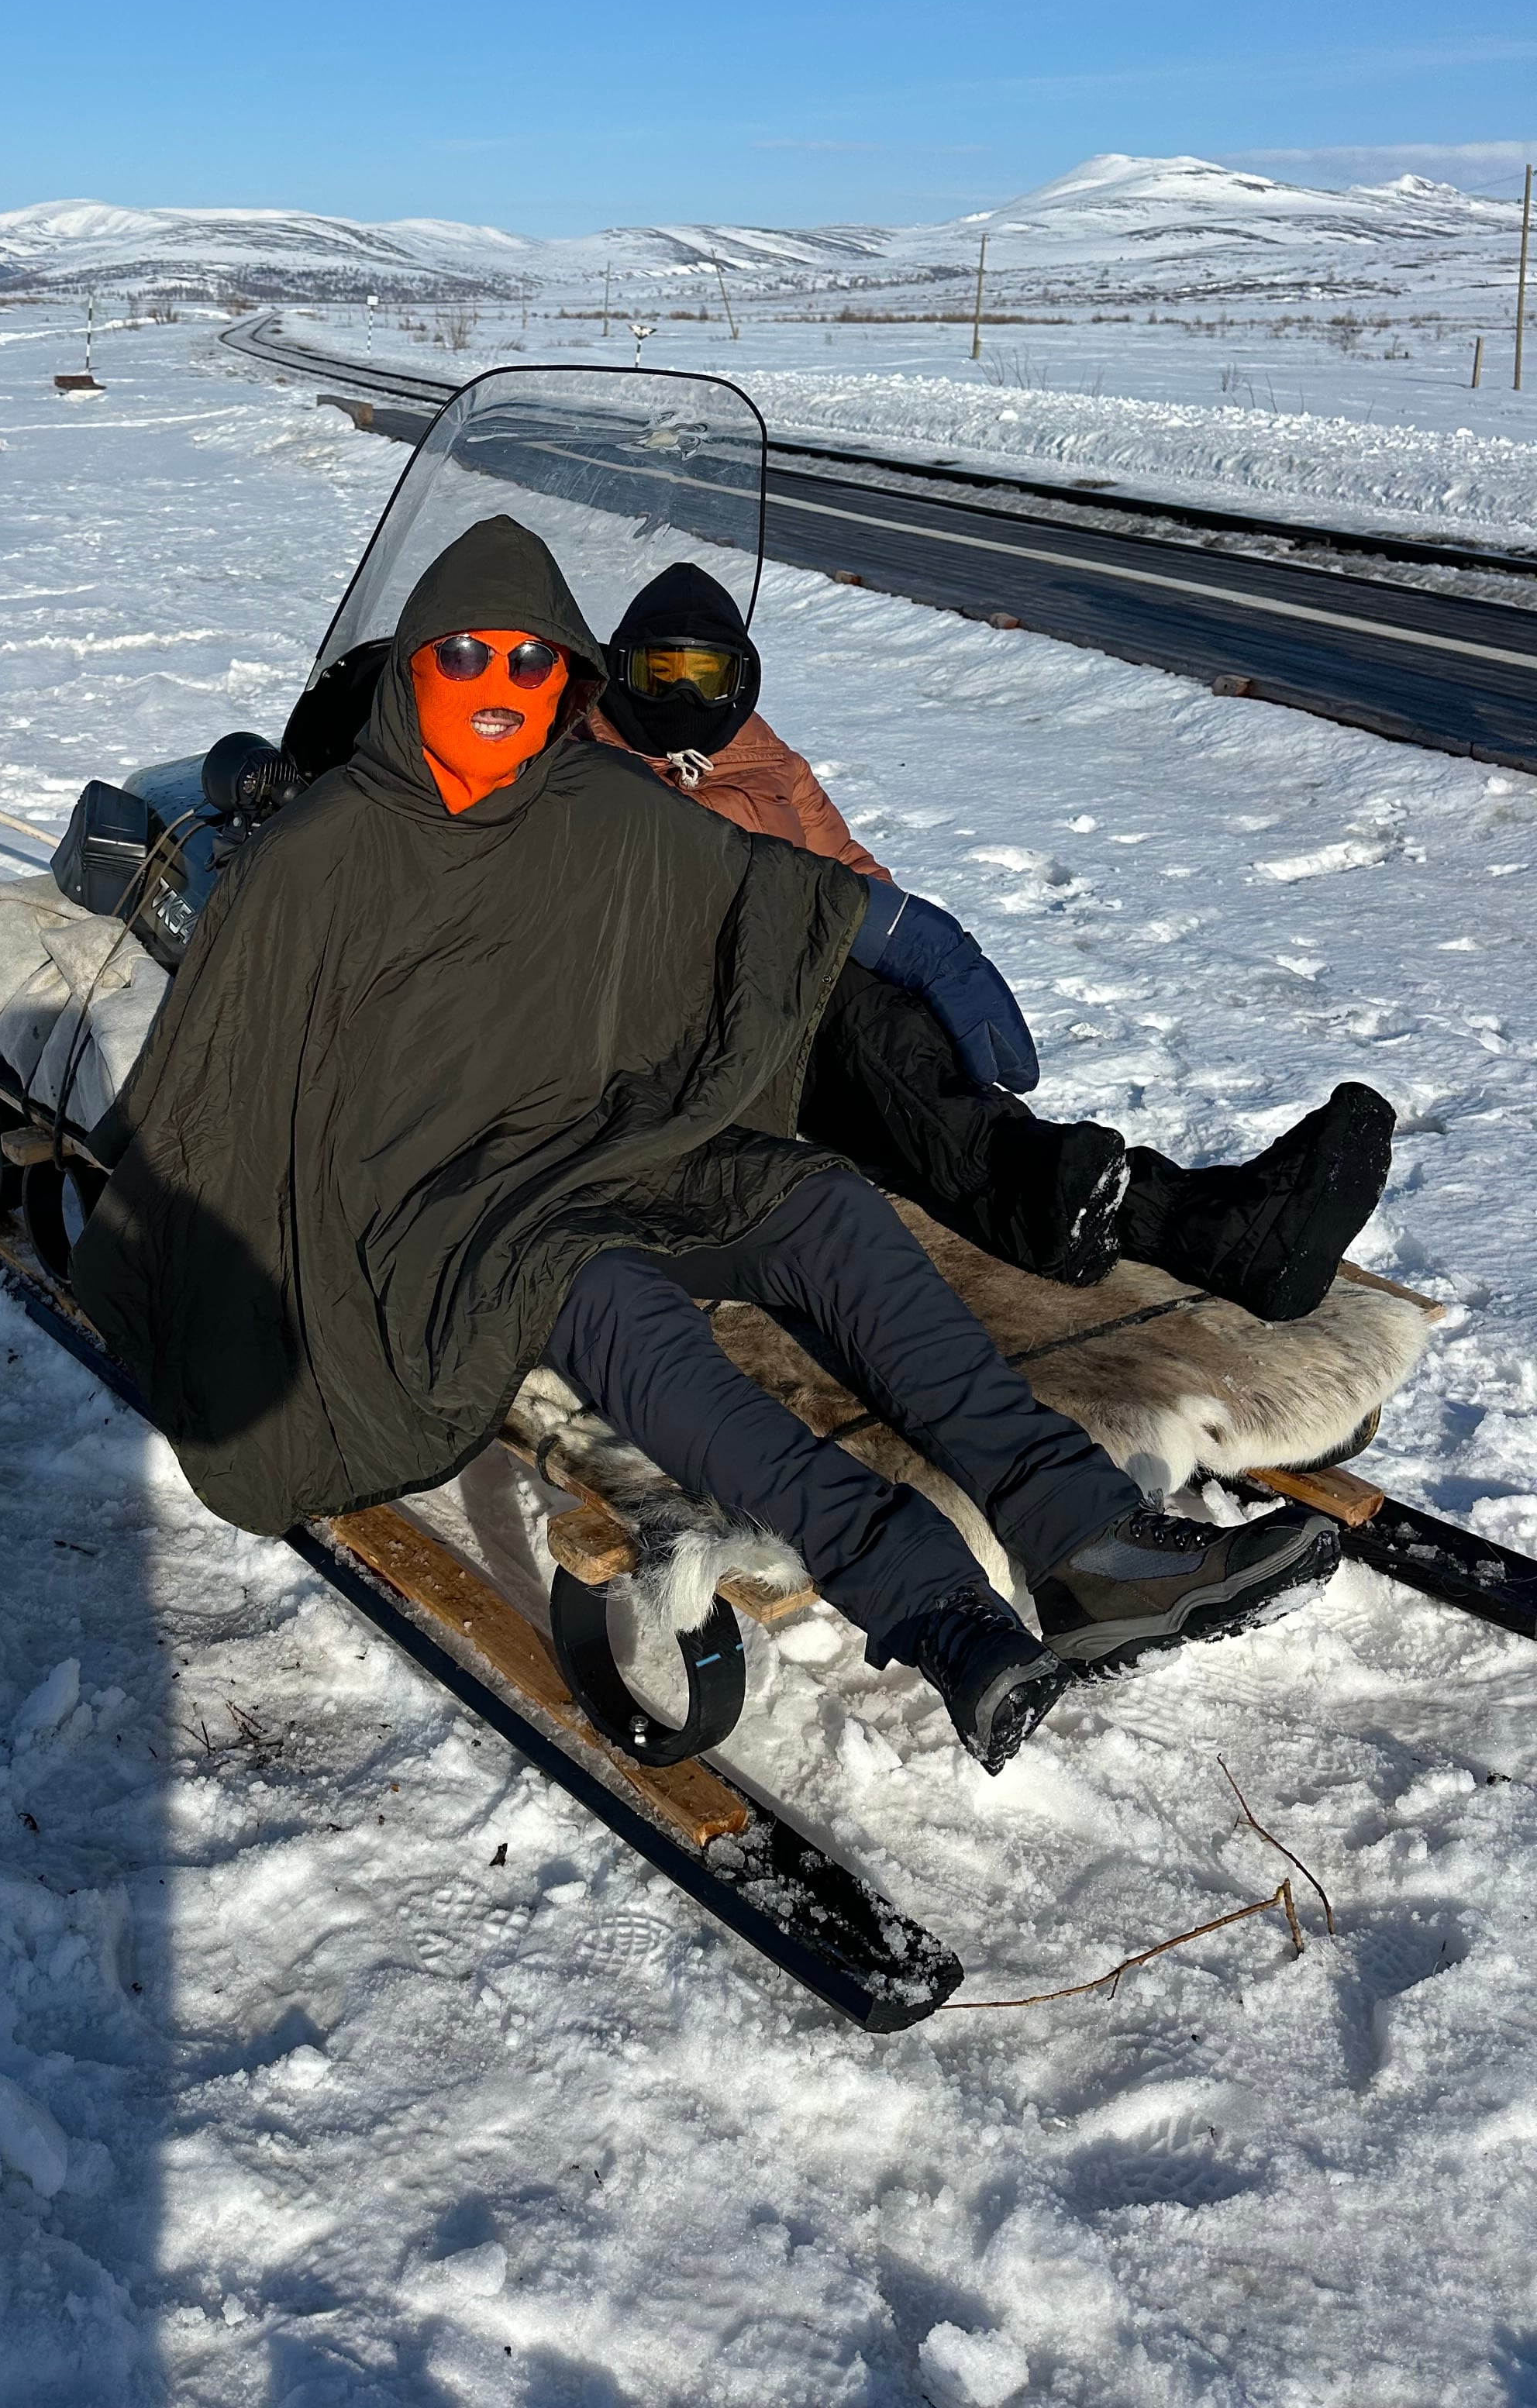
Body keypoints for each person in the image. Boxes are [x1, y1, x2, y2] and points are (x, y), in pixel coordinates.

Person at [74, 514, 1338, 1775]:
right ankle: (927, 1603)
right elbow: (218, 1071)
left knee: (820, 1206)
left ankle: (1082, 1544)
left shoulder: (591, 801)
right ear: (412, 667)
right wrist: (171, 1247)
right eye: (465, 656)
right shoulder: (320, 850)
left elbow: (755, 885)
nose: (501, 688)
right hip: (441, 1207)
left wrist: (906, 939)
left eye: (530, 661)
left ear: (565, 673)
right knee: (615, 1302)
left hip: (602, 1136)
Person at [588, 561, 1396, 1321]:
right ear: (622, 670)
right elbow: (665, 879)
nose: (686, 695)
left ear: (743, 678)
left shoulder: (762, 753)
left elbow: (852, 867)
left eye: (708, 674)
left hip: (785, 1020)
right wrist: (853, 937)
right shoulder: (581, 760)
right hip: (670, 1025)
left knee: (922, 1085)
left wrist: (915, 953)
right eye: (662, 673)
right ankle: (1180, 1224)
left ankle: (1190, 1221)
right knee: (875, 1030)